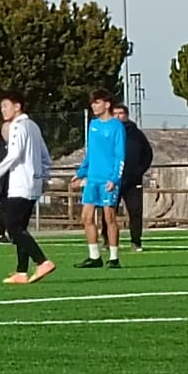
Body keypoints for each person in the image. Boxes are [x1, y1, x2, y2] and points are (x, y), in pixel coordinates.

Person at [0, 92, 55, 285]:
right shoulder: (33, 126)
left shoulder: (18, 125)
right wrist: (43, 177)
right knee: (21, 228)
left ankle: (42, 261)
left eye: (6, 106)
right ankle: (21, 271)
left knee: (13, 226)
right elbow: (45, 156)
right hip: (33, 183)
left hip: (21, 183)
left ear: (17, 107)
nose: (3, 110)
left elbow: (14, 154)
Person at [76, 89, 126, 269]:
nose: (93, 106)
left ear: (107, 104)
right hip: (92, 179)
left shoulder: (116, 126)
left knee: (109, 217)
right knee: (86, 217)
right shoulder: (93, 125)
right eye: (92, 103)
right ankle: (94, 256)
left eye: (97, 102)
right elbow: (91, 153)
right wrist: (81, 172)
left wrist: (115, 178)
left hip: (108, 180)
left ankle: (114, 257)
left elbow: (120, 155)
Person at [113, 103, 154, 251]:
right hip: (113, 181)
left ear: (127, 115)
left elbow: (148, 154)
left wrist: (139, 171)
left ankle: (136, 241)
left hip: (133, 181)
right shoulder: (109, 133)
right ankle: (108, 240)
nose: (118, 116)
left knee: (135, 211)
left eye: (121, 113)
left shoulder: (137, 134)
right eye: (115, 113)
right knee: (109, 212)